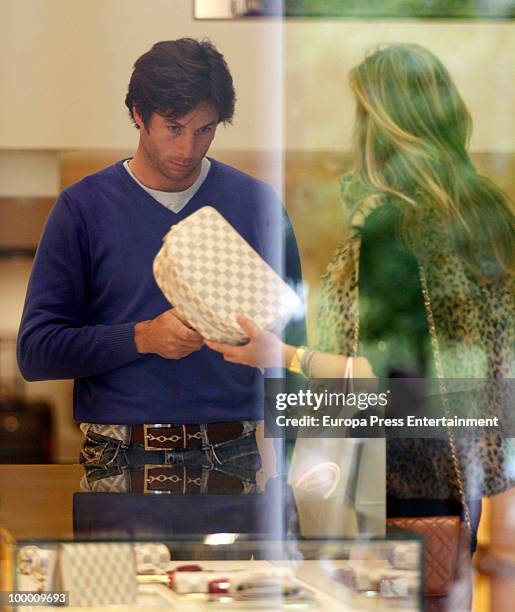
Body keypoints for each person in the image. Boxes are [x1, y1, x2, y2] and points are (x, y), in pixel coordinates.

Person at [206, 43, 514, 549]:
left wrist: (282, 354)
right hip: (465, 484)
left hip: (393, 486)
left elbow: (377, 377)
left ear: (382, 131)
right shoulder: (486, 218)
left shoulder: (393, 232)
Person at [17, 38, 303, 493]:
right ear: (137, 113)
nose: (188, 148)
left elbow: (294, 350)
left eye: (205, 130)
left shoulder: (256, 205)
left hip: (234, 456)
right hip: (117, 458)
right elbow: (36, 352)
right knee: (116, 568)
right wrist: (142, 337)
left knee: (231, 570)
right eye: (173, 128)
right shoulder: (82, 208)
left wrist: (289, 472)